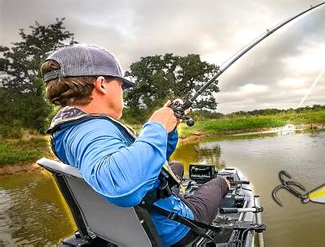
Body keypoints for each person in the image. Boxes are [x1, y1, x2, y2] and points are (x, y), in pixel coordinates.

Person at [41, 44, 229, 246]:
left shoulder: (69, 129)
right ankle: (211, 191)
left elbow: (148, 157)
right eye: (121, 85)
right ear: (101, 84)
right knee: (220, 183)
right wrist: (156, 126)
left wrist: (168, 128)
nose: (122, 92)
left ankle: (175, 196)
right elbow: (123, 187)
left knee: (177, 167)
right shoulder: (93, 131)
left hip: (125, 224)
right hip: (170, 231)